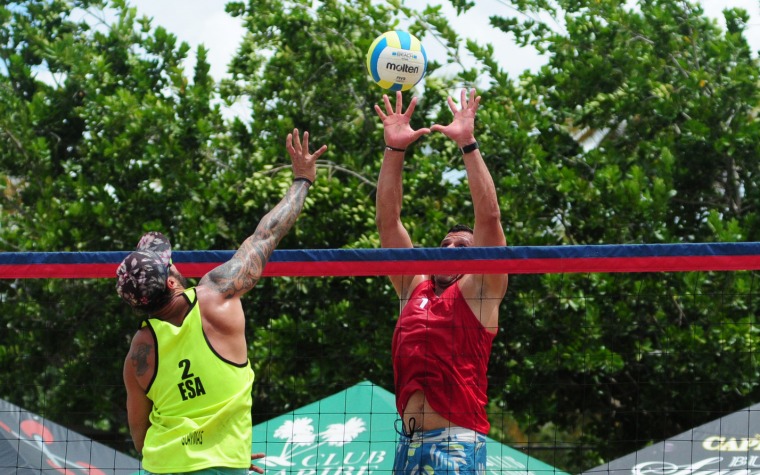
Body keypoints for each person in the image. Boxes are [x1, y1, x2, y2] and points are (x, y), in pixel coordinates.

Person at [116, 129, 327, 475]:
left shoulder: (137, 355)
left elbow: (141, 440)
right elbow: (266, 235)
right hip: (223, 467)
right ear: (171, 281)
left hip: (162, 466)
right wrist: (302, 180)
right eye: (170, 263)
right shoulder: (216, 296)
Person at [374, 88, 508, 475]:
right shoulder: (414, 288)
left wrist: (468, 143)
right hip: (408, 446)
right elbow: (388, 221)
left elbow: (490, 219)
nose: (451, 247)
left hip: (456, 446)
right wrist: (394, 150)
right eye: (445, 243)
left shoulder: (479, 292)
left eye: (462, 246)